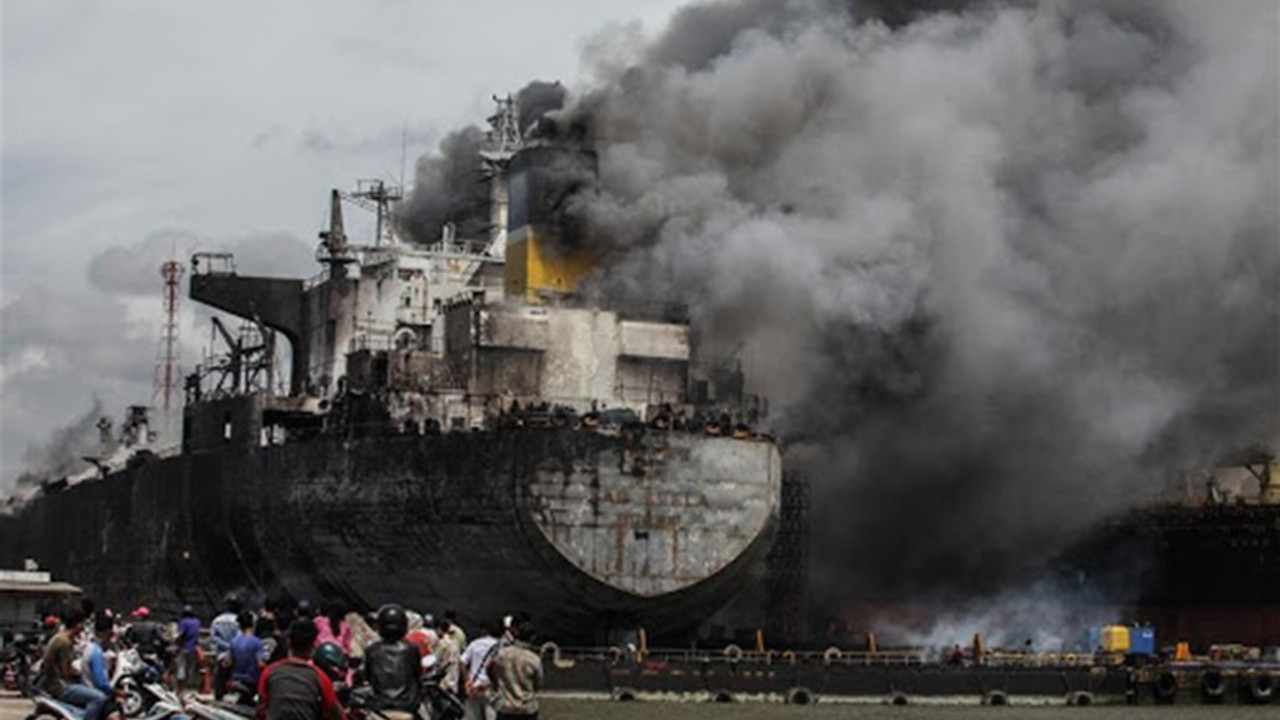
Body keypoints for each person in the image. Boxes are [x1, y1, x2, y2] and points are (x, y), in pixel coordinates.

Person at [256, 619, 345, 720]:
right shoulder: (320, 678)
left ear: (289, 642)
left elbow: (261, 708)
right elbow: (336, 713)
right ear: (313, 646)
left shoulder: (270, 671)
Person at [39, 608, 110, 720]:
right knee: (99, 698)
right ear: (78, 624)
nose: (83, 628)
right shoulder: (64, 642)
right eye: (83, 624)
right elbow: (66, 671)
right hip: (60, 687)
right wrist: (79, 672)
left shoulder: (59, 637)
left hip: (53, 683)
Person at [361, 604, 422, 712]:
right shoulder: (412, 649)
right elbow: (417, 675)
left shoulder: (372, 650)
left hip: (379, 708)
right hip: (406, 707)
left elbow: (366, 676)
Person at [487, 619, 542, 720]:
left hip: (505, 706)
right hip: (527, 708)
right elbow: (538, 683)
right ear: (532, 638)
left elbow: (489, 669)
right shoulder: (534, 659)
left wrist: (496, 685)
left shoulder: (501, 654)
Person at [80, 615, 121, 720]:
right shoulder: (97, 653)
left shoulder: (89, 648)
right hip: (97, 695)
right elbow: (101, 683)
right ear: (107, 633)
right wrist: (117, 692)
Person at [459, 620, 501, 720]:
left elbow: (462, 662)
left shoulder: (474, 644)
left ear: (483, 630)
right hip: (490, 689)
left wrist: (467, 681)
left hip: (473, 688)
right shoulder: (499, 646)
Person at [227, 611, 267, 701]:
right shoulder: (257, 642)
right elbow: (260, 664)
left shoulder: (233, 641)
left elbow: (228, 662)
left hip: (235, 679)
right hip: (251, 682)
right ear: (253, 624)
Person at [211, 596, 242, 699]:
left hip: (221, 655)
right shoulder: (239, 621)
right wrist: (231, 648)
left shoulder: (217, 620)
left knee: (220, 680)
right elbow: (239, 638)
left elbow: (214, 638)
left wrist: (224, 646)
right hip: (235, 656)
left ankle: (218, 698)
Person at [432, 616, 461, 698]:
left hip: (444, 683)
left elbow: (435, 661)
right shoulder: (455, 642)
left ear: (439, 629)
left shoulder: (442, 643)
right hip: (454, 681)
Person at [176, 605, 202, 690]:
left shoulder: (183, 622)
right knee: (190, 668)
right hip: (194, 648)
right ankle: (188, 688)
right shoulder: (197, 622)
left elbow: (181, 634)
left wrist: (177, 643)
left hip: (184, 648)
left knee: (181, 668)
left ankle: (180, 689)